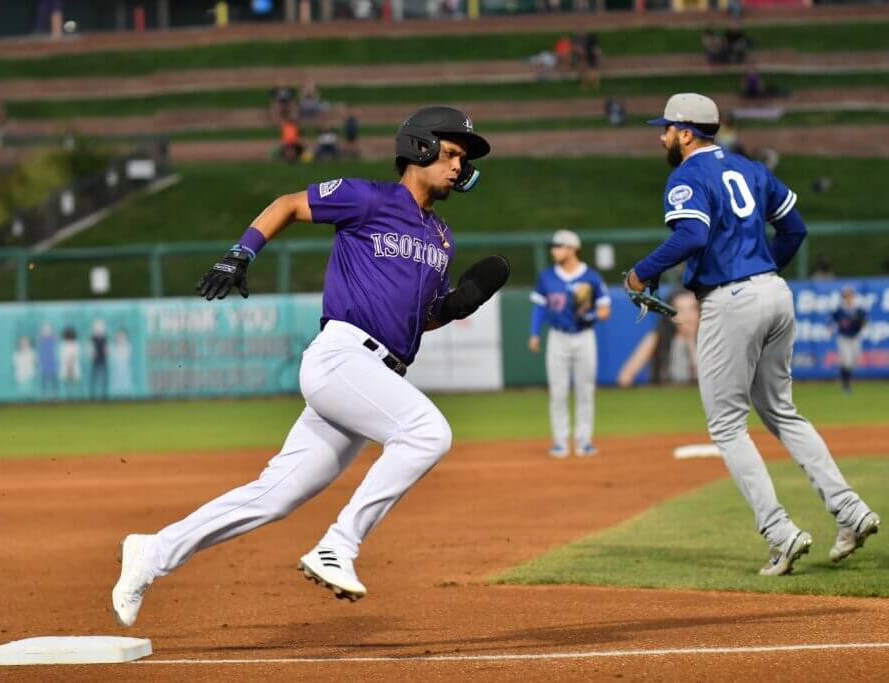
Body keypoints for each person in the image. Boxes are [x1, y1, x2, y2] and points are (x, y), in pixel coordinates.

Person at [111, 106, 508, 626]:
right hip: (341, 356)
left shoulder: (442, 239)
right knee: (427, 432)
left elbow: (422, 318)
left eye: (463, 159)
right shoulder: (370, 198)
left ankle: (152, 552)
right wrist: (241, 253)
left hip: (376, 375)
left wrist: (454, 308)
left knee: (273, 497)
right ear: (420, 147)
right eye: (452, 153)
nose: (458, 166)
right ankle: (338, 545)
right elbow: (289, 204)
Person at [626, 92, 879, 577]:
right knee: (782, 412)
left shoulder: (687, 175)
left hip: (731, 300)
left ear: (685, 133)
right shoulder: (752, 168)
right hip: (775, 292)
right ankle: (849, 510)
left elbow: (692, 236)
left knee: (726, 426)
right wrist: (762, 272)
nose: (661, 136)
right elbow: (795, 229)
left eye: (666, 128)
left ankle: (780, 532)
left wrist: (640, 272)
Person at [528, 230, 610, 458]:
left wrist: (590, 315)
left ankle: (584, 442)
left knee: (585, 390)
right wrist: (534, 333)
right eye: (554, 246)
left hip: (584, 336)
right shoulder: (547, 277)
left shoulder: (590, 277)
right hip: (558, 337)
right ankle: (560, 442)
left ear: (573, 248)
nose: (555, 250)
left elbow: (605, 309)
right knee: (558, 391)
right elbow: (539, 307)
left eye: (559, 246)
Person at [831, 285, 867, 394]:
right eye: (846, 295)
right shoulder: (840, 309)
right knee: (846, 361)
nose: (849, 297)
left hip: (855, 337)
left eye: (850, 295)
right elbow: (832, 320)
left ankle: (844, 377)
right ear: (843, 297)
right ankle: (846, 385)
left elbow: (864, 321)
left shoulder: (858, 308)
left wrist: (860, 324)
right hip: (844, 338)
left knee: (855, 361)